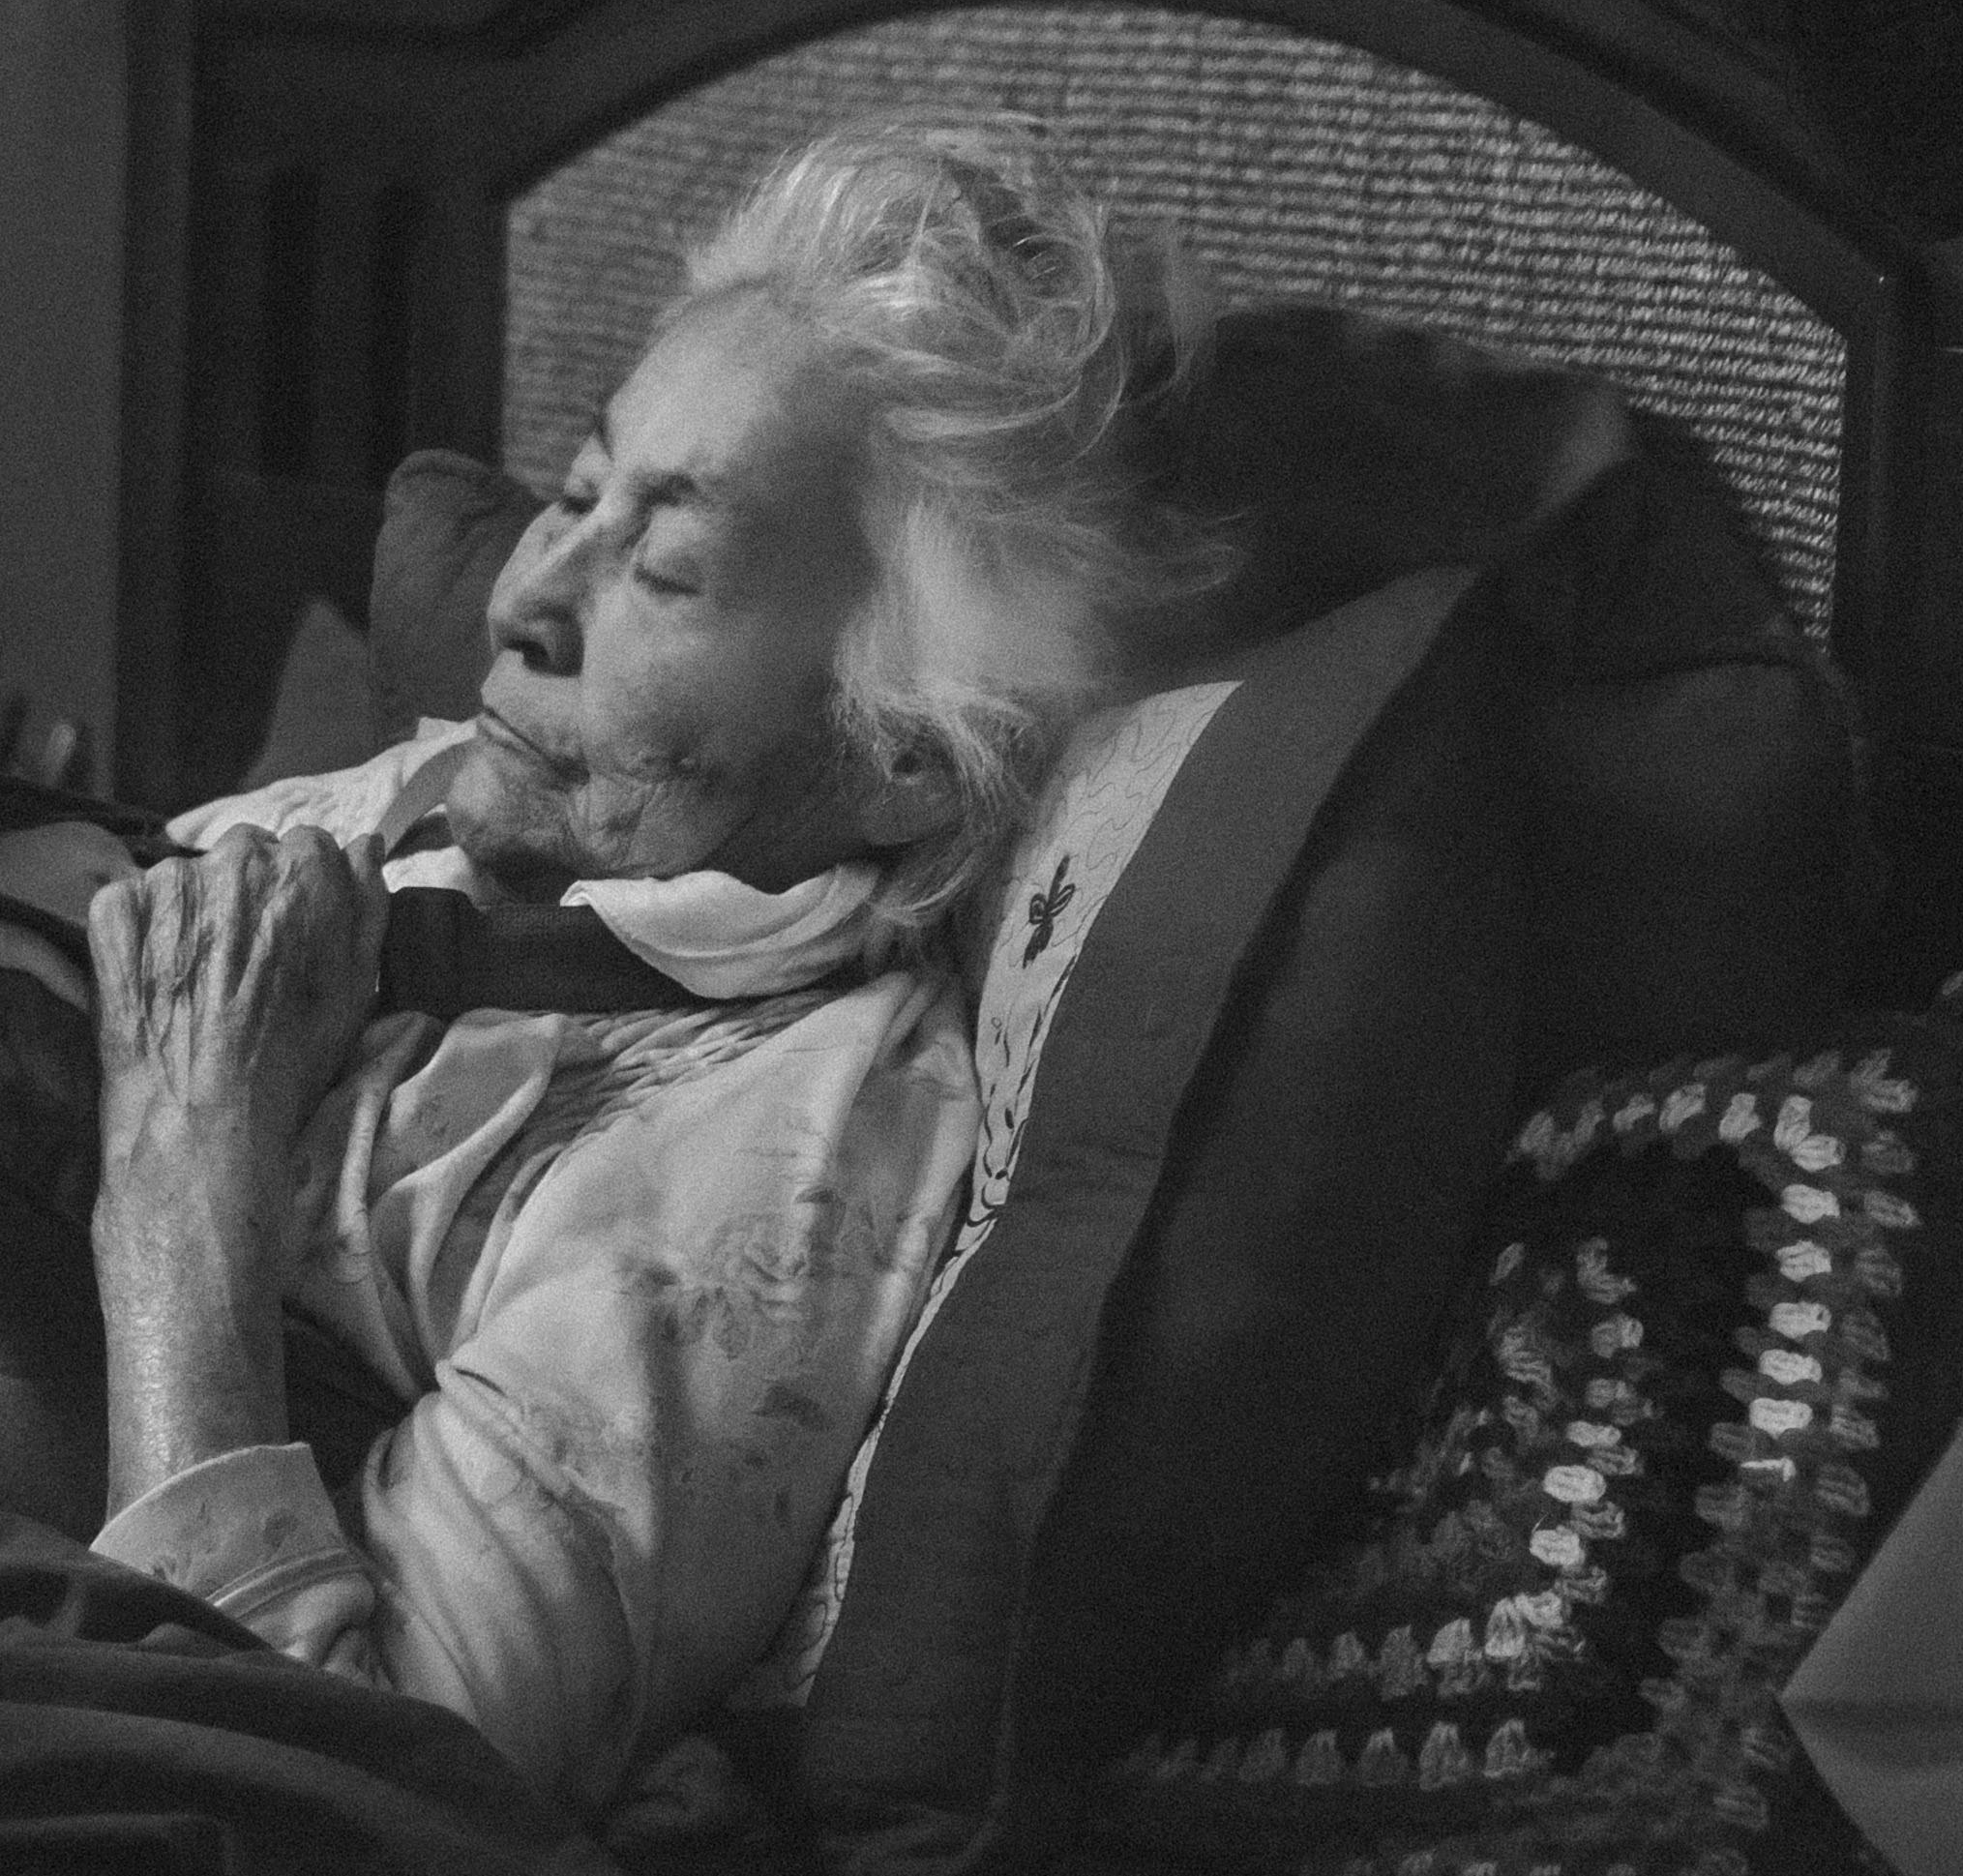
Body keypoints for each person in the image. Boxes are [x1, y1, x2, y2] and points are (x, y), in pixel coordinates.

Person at [61, 111, 1235, 1811]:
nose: (530, 594)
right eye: (573, 490)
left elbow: (306, 1806)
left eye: (664, 564)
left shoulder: (777, 1180)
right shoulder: (448, 793)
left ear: (895, 745)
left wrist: (180, 1182)